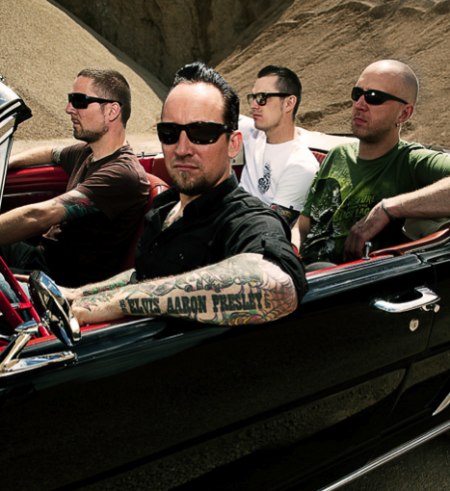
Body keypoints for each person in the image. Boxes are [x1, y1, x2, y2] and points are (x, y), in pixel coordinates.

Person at [64, 62, 307, 327]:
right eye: (169, 133)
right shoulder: (165, 205)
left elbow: (278, 286)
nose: (182, 149)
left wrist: (118, 302)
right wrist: (78, 295)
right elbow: (146, 276)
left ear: (233, 144)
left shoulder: (246, 220)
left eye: (201, 133)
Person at [2, 68, 149, 287]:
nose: (68, 108)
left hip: (56, 282)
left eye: (79, 101)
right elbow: (50, 152)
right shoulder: (88, 152)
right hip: (40, 258)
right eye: (70, 100)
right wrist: (6, 164)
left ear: (112, 111)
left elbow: (40, 215)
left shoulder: (121, 174)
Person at [298, 59, 450, 264]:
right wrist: (288, 250)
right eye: (357, 94)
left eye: (374, 98)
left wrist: (388, 209)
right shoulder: (337, 155)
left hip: (347, 278)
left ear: (404, 113)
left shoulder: (411, 162)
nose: (359, 105)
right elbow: (304, 225)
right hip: (300, 271)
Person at [239, 65, 319, 227]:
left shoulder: (301, 165)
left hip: (250, 234)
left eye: (262, 97)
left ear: (289, 103)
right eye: (253, 97)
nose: (254, 105)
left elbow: (272, 225)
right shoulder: (252, 133)